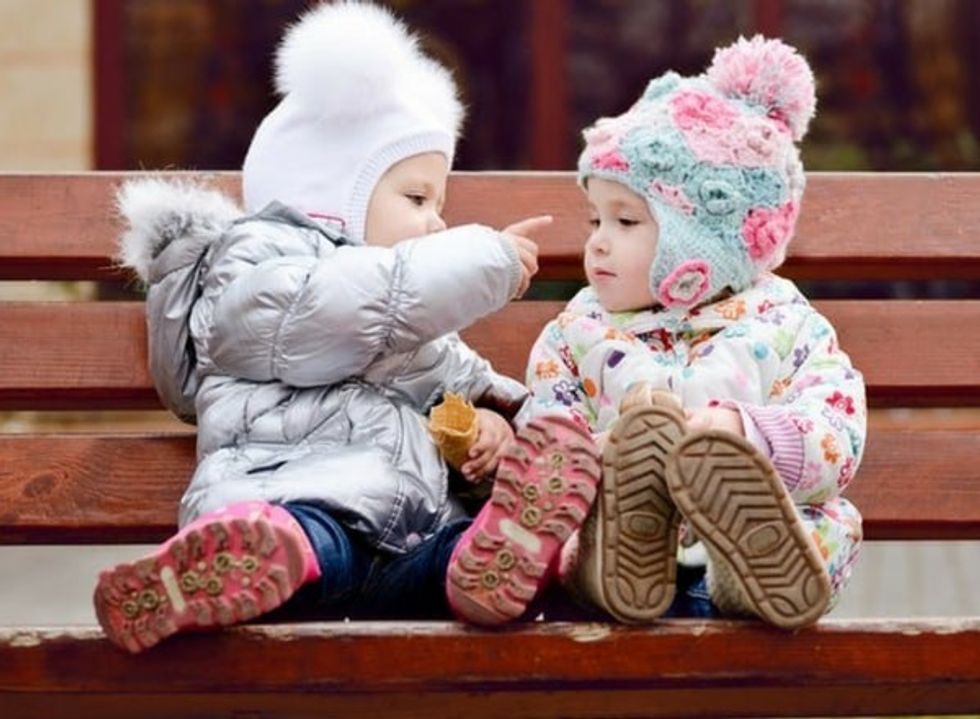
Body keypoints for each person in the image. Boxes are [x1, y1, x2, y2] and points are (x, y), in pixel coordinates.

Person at [94, 1, 596, 653]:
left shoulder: (409, 322)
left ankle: (497, 562)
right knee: (306, 540)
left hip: (403, 535)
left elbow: (463, 380)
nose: (435, 223)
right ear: (331, 195)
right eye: (417, 198)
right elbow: (341, 306)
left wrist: (502, 426)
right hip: (297, 502)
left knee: (451, 550)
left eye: (438, 205)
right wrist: (482, 260)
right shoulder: (258, 264)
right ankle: (227, 565)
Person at [522, 36, 864, 629]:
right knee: (571, 537)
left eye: (626, 221)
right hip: (616, 539)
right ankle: (619, 560)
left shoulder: (785, 324)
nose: (598, 242)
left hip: (748, 536)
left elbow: (836, 431)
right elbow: (545, 430)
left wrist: (747, 435)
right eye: (595, 219)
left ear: (706, 242)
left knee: (830, 525)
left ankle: (748, 574)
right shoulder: (576, 333)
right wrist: (606, 454)